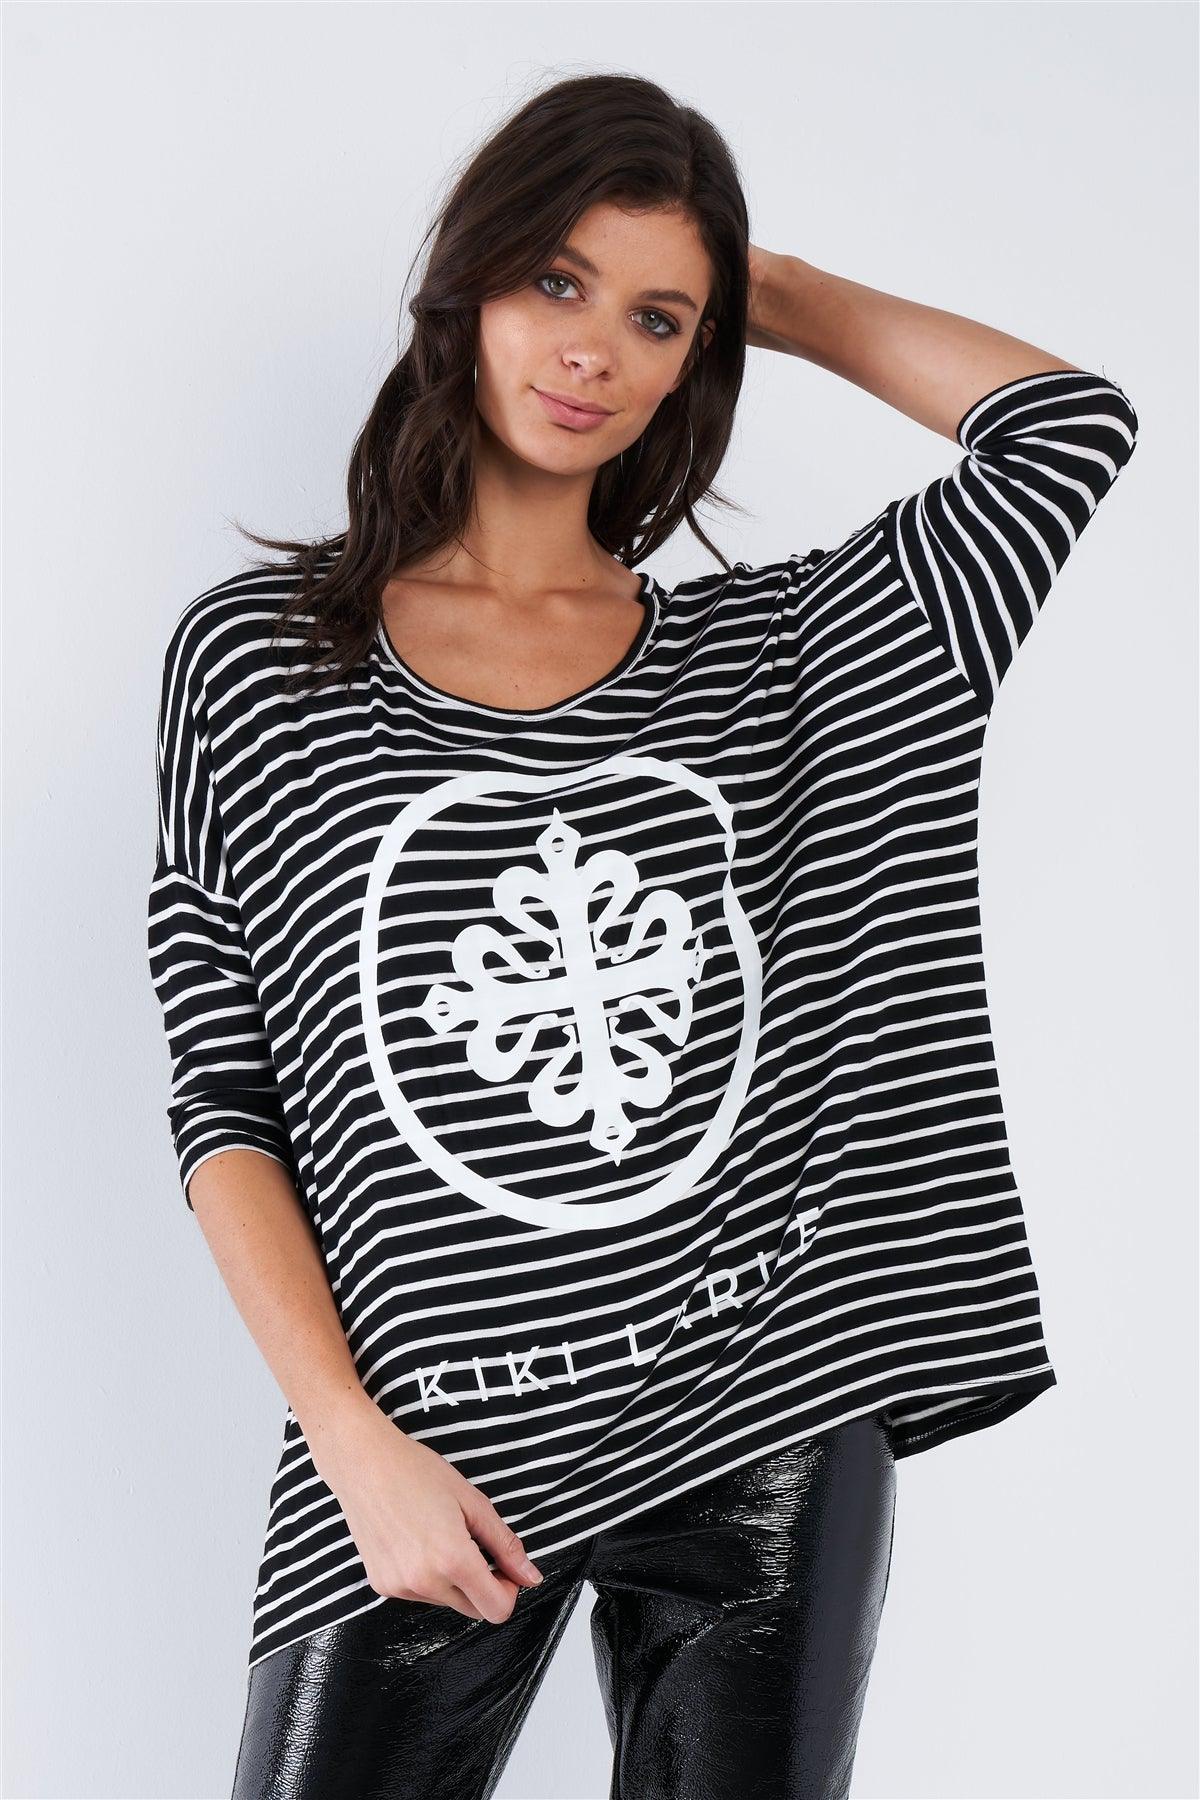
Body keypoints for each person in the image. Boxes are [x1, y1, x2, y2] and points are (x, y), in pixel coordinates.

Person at [146, 71, 1139, 1800]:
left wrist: (767, 287)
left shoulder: (783, 656)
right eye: (558, 279)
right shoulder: (265, 659)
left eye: (657, 317)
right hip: (426, 1439)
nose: (592, 348)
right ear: (468, 281)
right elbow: (224, 1095)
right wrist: (349, 1440)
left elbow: (1065, 432)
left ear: (700, 355)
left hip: (764, 1411)